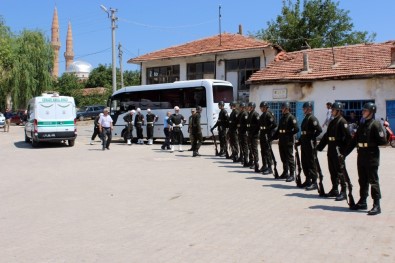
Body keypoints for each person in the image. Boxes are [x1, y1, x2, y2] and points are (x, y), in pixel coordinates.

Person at [343, 102, 387, 215]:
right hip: (361, 155)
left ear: (371, 112)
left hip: (371, 156)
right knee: (362, 180)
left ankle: (377, 204)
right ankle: (363, 201)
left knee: (373, 180)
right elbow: (353, 142)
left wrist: (370, 143)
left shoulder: (375, 124)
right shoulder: (362, 124)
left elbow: (383, 141)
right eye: (363, 110)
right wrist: (344, 154)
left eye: (365, 110)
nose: (363, 112)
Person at [317, 102, 352, 201]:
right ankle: (335, 189)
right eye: (332, 109)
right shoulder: (332, 122)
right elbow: (326, 136)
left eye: (333, 110)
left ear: (339, 111)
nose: (331, 111)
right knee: (332, 171)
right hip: (331, 150)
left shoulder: (342, 122)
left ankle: (344, 191)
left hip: (338, 151)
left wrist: (344, 153)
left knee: (340, 171)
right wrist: (319, 147)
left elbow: (349, 139)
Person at [297, 102, 322, 190]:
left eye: (305, 108)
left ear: (309, 109)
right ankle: (308, 179)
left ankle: (314, 182)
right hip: (304, 143)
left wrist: (312, 138)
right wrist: (299, 142)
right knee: (304, 162)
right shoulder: (305, 118)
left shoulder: (312, 118)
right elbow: (303, 133)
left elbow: (319, 130)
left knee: (311, 162)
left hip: (310, 144)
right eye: (303, 108)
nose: (303, 110)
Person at [273, 102, 299, 182]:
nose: (282, 109)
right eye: (282, 108)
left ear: (287, 108)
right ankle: (285, 172)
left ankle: (292, 174)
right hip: (282, 140)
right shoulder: (282, 118)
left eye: (283, 108)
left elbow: (296, 129)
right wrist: (273, 137)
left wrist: (288, 134)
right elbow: (278, 130)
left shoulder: (291, 118)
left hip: (288, 141)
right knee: (283, 157)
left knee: (289, 157)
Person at [258, 101, 277, 175]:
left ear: (266, 107)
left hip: (267, 135)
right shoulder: (263, 115)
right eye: (261, 107)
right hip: (262, 135)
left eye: (262, 107)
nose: (261, 109)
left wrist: (268, 131)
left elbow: (274, 125)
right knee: (263, 151)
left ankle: (270, 168)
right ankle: (264, 165)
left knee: (267, 151)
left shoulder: (269, 114)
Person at [246, 102, 260, 172]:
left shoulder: (255, 114)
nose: (248, 107)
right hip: (250, 134)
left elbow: (258, 125)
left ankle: (256, 162)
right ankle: (251, 161)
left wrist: (254, 132)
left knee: (254, 149)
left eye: (249, 106)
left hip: (254, 135)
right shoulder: (249, 114)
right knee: (250, 148)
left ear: (252, 107)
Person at [237, 102, 249, 167]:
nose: (240, 108)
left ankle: (246, 160)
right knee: (241, 146)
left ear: (243, 108)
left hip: (244, 133)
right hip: (240, 132)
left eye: (241, 107)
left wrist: (245, 130)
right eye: (240, 107)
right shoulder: (240, 114)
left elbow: (246, 124)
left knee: (245, 146)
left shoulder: (245, 114)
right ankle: (243, 158)